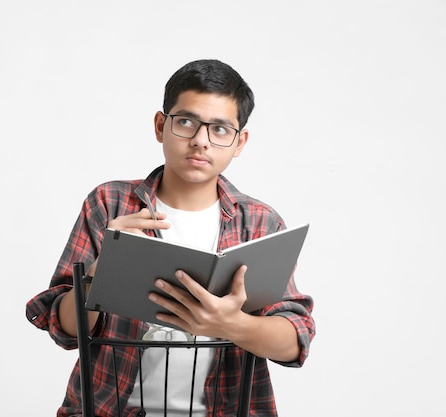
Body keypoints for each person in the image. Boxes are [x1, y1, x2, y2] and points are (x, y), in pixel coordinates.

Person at [26, 59, 316, 417]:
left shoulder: (258, 221)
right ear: (161, 125)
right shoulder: (109, 203)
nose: (200, 141)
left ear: (239, 142)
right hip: (109, 410)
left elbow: (295, 339)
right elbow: (64, 330)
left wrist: (230, 324)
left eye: (220, 130)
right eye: (186, 122)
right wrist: (100, 272)